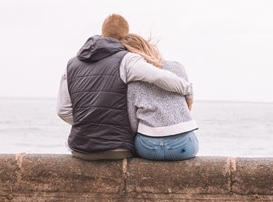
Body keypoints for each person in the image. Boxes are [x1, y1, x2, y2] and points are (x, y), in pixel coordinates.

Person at [57, 14, 193, 160]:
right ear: (125, 36)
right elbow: (158, 77)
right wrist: (187, 89)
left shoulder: (71, 64)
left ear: (102, 33)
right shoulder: (127, 60)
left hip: (80, 148)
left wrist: (87, 124)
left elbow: (62, 110)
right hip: (116, 149)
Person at [121, 33, 199, 160]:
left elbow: (133, 123)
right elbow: (186, 106)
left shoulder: (132, 79)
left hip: (148, 147)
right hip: (183, 146)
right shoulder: (177, 67)